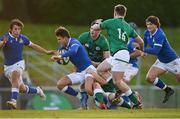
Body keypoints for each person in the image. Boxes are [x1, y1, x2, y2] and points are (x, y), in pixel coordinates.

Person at [91, 4, 144, 108]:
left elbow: (95, 28)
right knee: (100, 70)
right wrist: (142, 50)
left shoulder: (111, 22)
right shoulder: (127, 26)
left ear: (114, 12)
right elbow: (141, 41)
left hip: (120, 54)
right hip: (117, 56)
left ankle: (136, 102)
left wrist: (98, 23)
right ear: (125, 14)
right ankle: (122, 90)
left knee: (118, 81)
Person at [0, 19, 56, 109]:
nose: (17, 31)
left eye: (19, 29)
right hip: (7, 67)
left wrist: (46, 52)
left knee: (16, 74)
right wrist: (3, 43)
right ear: (10, 29)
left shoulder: (23, 38)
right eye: (15, 29)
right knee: (21, 88)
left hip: (19, 63)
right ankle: (38, 90)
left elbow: (34, 46)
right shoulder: (5, 37)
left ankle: (13, 101)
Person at [51, 26, 99, 109]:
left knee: (91, 90)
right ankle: (81, 97)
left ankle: (102, 101)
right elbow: (62, 59)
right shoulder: (63, 48)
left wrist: (60, 56)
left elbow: (74, 51)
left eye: (59, 39)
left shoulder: (74, 42)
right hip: (79, 72)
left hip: (89, 70)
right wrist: (57, 58)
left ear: (65, 38)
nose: (58, 41)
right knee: (60, 84)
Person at [143, 15, 180, 103]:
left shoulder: (160, 34)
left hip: (173, 61)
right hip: (161, 61)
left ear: (156, 25)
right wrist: (143, 50)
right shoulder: (147, 32)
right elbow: (143, 42)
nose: (148, 26)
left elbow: (156, 51)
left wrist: (142, 50)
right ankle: (168, 90)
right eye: (147, 24)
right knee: (149, 78)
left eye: (151, 24)